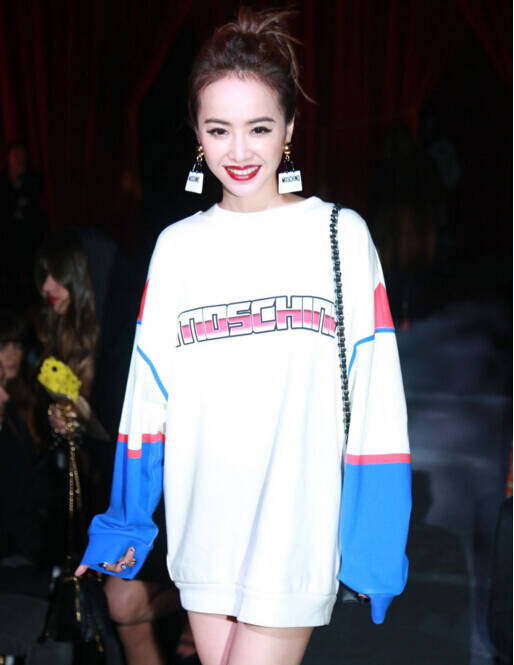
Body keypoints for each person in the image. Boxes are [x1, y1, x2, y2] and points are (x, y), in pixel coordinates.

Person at [77, 8, 412, 665]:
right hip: (204, 530)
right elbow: (147, 398)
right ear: (197, 135)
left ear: (288, 129)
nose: (238, 152)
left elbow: (377, 399)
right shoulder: (178, 248)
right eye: (218, 129)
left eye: (258, 127)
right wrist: (124, 521)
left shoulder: (341, 236)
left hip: (296, 531)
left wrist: (374, 540)